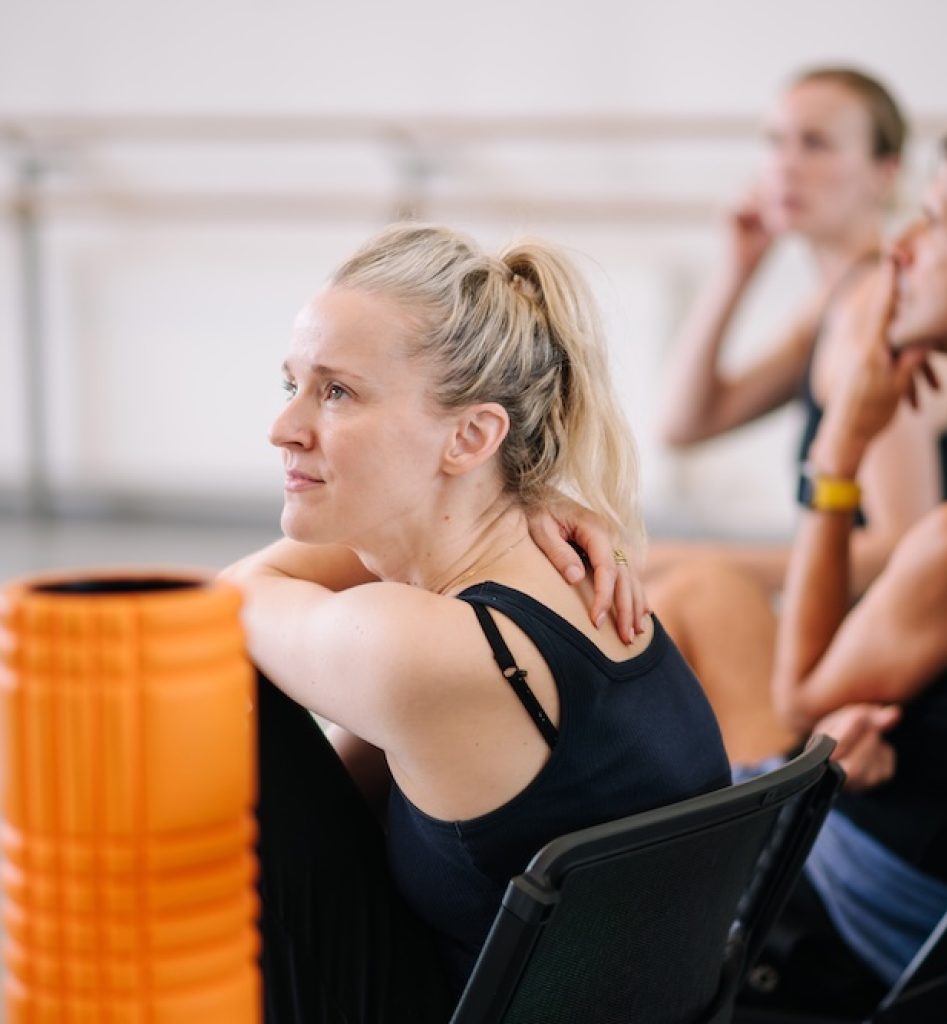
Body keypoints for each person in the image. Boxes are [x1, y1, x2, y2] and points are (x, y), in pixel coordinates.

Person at [220, 224, 731, 1023]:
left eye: (337, 391)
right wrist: (522, 496)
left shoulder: (424, 651)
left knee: (220, 691)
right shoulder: (563, 587)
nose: (284, 429)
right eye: (291, 385)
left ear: (472, 435)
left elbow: (224, 604)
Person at [746, 115, 947, 1018]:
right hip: (939, 899)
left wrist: (838, 455)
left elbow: (801, 698)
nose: (900, 247)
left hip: (874, 930)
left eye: (935, 220)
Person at [648, 67, 947, 762]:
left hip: (879, 702)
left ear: (884, 172)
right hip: (850, 660)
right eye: (776, 142)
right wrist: (737, 268)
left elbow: (904, 547)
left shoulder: (874, 314)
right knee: (667, 595)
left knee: (685, 591)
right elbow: (684, 423)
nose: (785, 166)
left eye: (817, 144)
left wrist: (703, 560)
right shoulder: (838, 301)